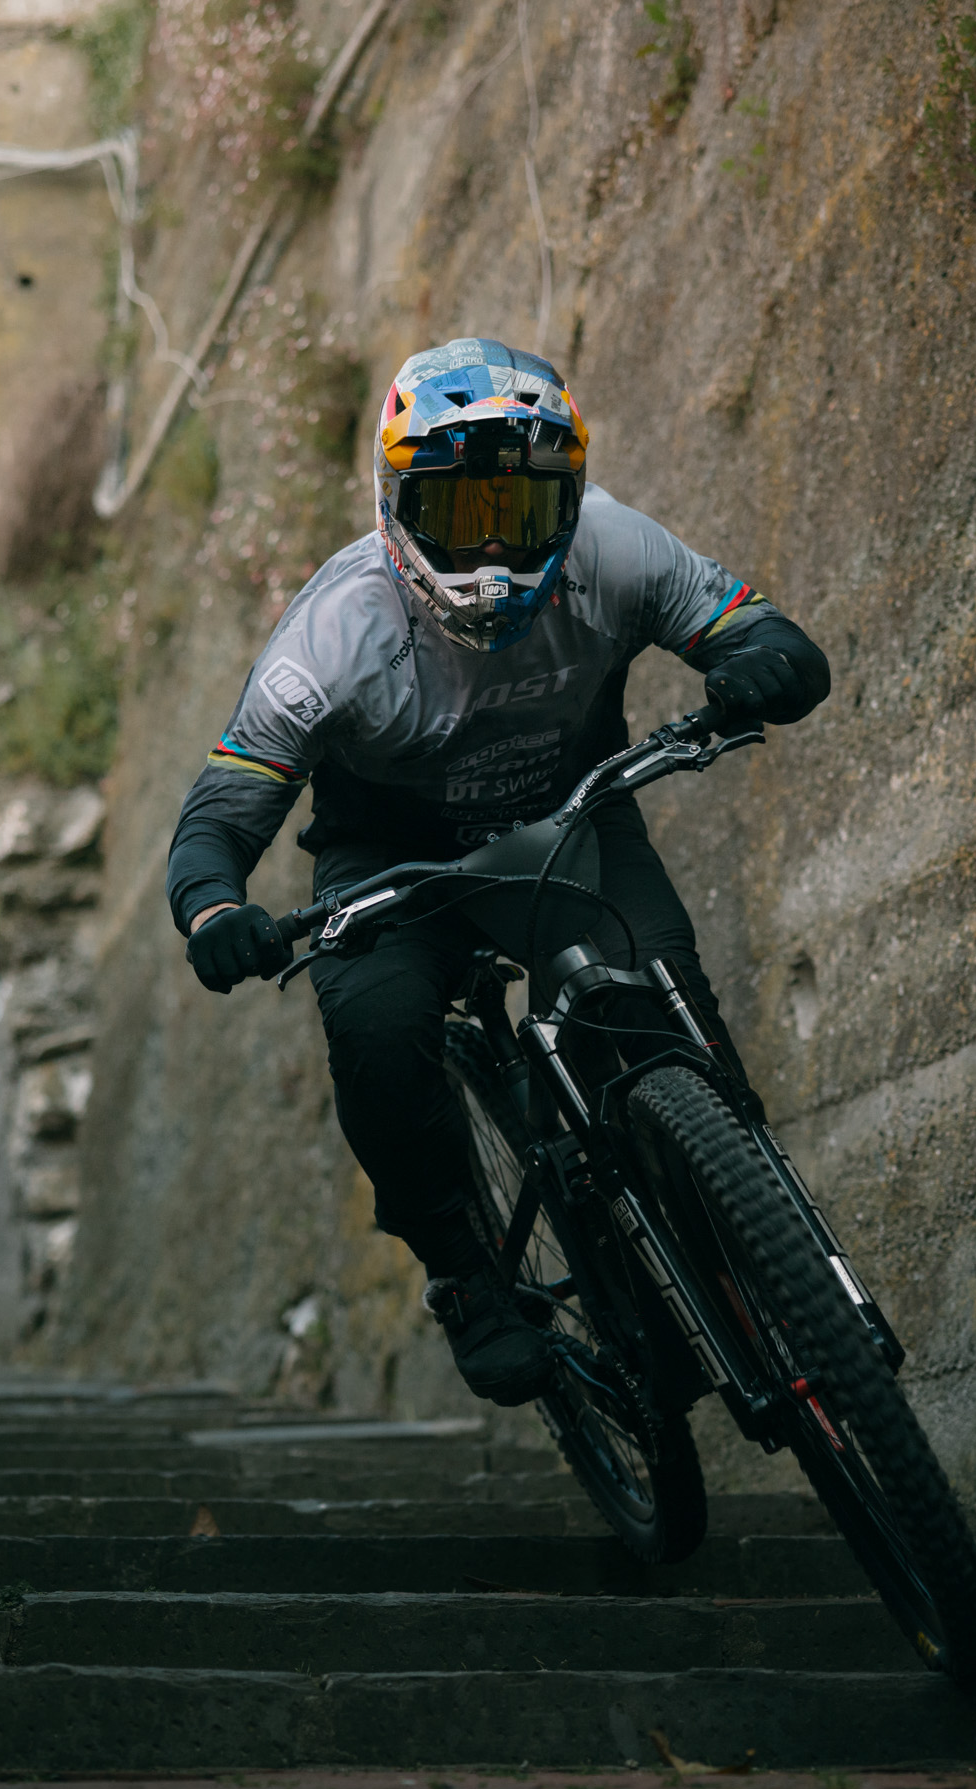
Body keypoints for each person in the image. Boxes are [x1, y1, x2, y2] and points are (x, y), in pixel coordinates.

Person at [167, 337, 830, 1408]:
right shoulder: (330, 635)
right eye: (456, 512)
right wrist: (213, 910)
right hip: (393, 863)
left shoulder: (614, 547)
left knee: (663, 1015)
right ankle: (466, 1277)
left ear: (568, 502)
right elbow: (223, 813)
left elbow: (764, 632)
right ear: (394, 506)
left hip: (568, 821)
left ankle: (731, 1225)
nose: (488, 549)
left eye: (517, 514)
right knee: (379, 1036)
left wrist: (766, 663)